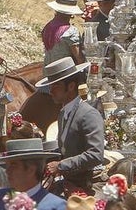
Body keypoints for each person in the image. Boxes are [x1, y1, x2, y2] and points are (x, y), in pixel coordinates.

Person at [41, 58, 105, 194]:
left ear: (70, 86)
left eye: (56, 87)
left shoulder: (88, 114)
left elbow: (96, 154)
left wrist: (61, 165)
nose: (51, 91)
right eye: (50, 87)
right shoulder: (63, 113)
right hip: (70, 182)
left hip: (89, 184)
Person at [42, 0, 84, 65]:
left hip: (48, 69)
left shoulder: (48, 27)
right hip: (65, 71)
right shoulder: (71, 32)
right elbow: (79, 57)